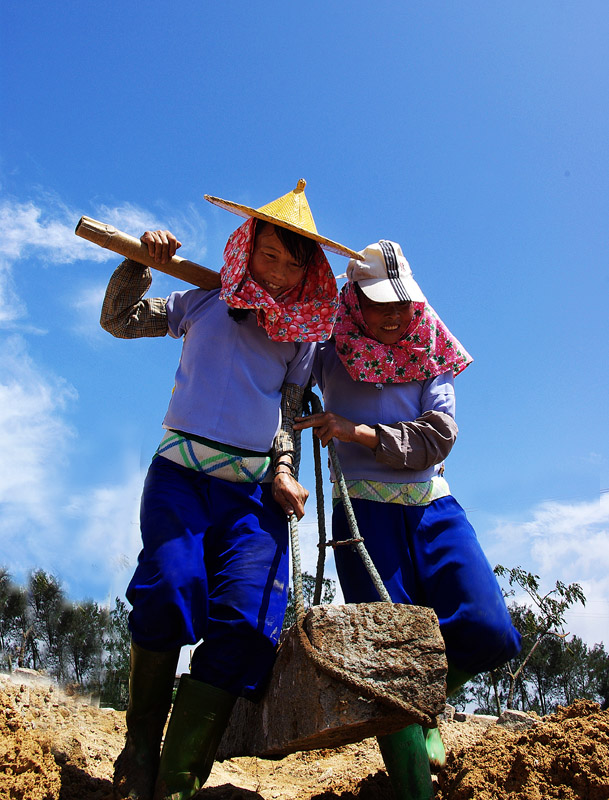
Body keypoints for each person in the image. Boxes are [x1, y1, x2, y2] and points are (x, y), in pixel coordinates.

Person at [100, 180, 359, 800]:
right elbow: (119, 320)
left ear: (307, 274)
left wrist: (283, 469)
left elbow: (287, 411)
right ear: (248, 246)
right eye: (267, 256)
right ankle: (140, 747)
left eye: (292, 264)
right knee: (168, 589)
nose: (276, 273)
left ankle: (179, 778)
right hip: (180, 481)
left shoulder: (299, 337)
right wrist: (138, 262)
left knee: (246, 624)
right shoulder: (201, 302)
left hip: (249, 494)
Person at [294, 240, 521, 800]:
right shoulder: (327, 350)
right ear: (352, 302)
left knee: (490, 630)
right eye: (378, 304)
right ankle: (415, 788)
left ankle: (430, 708)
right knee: (391, 657)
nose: (394, 316)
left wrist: (355, 431)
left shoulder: (431, 351)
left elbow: (437, 437)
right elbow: (285, 383)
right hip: (361, 515)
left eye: (401, 303)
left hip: (431, 506)